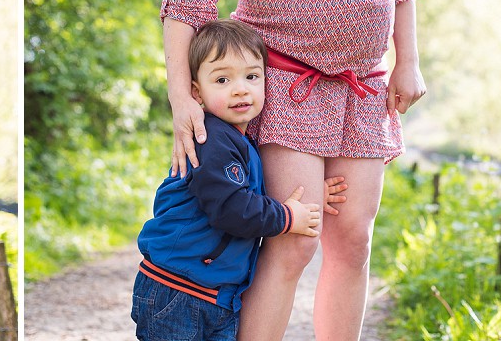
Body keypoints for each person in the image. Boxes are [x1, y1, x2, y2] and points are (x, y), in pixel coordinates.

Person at [160, 0, 426, 340]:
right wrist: (182, 97)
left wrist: (408, 60)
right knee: (294, 241)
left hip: (364, 84)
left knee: (355, 241)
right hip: (282, 77)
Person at [132, 20, 346, 341]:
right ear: (196, 91)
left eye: (251, 76)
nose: (240, 88)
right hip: (177, 290)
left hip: (213, 293)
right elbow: (232, 208)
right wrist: (287, 217)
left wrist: (315, 192)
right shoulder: (211, 139)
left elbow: (251, 191)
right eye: (222, 79)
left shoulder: (241, 143)